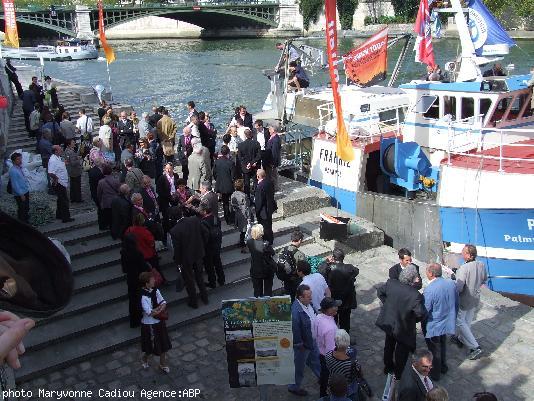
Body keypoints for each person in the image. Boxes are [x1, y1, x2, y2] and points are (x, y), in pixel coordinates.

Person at [376, 265, 427, 380]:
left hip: (389, 321)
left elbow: (380, 292)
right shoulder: (415, 295)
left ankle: (388, 367)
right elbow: (420, 314)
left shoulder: (391, 284)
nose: (418, 279)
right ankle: (398, 373)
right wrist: (412, 319)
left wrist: (387, 304)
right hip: (404, 326)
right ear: (412, 279)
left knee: (389, 345)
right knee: (401, 351)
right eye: (417, 277)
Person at [450, 244, 487, 360]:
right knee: (468, 321)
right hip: (475, 297)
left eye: (463, 252)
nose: (462, 253)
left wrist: (454, 277)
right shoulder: (481, 264)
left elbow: (459, 288)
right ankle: (461, 338)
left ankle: (475, 346)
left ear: (469, 255)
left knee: (460, 321)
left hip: (465, 299)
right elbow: (484, 279)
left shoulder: (464, 268)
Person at [423, 263, 458, 381]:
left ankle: (435, 373)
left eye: (427, 271)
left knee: (434, 350)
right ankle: (443, 366)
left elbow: (425, 310)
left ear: (431, 274)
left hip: (435, 325)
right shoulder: (451, 283)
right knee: (443, 344)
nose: (426, 273)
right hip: (446, 321)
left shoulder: (430, 290)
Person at [169, 207, 209, 309]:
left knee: (189, 281)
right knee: (199, 277)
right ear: (182, 213)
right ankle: (205, 298)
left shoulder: (174, 231)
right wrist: (202, 246)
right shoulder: (194, 220)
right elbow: (205, 232)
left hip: (186, 258)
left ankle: (194, 302)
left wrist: (178, 261)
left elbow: (177, 249)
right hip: (198, 253)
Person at [288, 284, 321, 397]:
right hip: (303, 347)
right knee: (299, 368)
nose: (311, 299)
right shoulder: (295, 314)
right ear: (300, 298)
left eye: (310, 296)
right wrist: (301, 346)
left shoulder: (308, 304)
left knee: (316, 361)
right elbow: (295, 333)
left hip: (312, 341)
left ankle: (322, 378)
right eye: (308, 297)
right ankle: (294, 387)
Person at [317, 248, 358, 333]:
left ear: (333, 257)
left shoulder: (332, 267)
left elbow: (321, 270)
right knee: (345, 321)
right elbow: (356, 271)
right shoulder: (349, 267)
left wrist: (326, 261)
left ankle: (333, 337)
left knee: (333, 320)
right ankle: (345, 338)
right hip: (346, 300)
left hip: (333, 299)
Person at [139, 271, 171, 373]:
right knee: (150, 346)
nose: (154, 281)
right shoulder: (142, 297)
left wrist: (158, 309)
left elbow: (163, 302)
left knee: (163, 344)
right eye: (152, 280)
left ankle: (163, 364)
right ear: (146, 283)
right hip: (149, 325)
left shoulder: (155, 290)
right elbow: (150, 312)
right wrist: (159, 309)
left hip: (159, 322)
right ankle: (144, 358)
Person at [324, 329, 367, 401]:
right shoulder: (352, 363)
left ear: (335, 342)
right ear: (348, 344)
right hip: (349, 389)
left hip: (333, 385)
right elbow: (360, 375)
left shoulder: (328, 355)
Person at [121, 233, 150, 328]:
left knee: (132, 300)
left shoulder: (123, 252)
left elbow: (124, 269)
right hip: (139, 278)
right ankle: (140, 316)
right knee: (139, 298)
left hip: (130, 279)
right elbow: (143, 266)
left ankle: (133, 321)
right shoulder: (137, 253)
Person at [315, 297, 341, 397]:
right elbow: (331, 351)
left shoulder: (319, 317)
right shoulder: (331, 328)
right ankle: (324, 395)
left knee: (323, 374)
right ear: (329, 310)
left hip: (320, 350)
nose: (337, 308)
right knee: (327, 377)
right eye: (335, 307)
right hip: (327, 356)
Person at [126, 213, 162, 279]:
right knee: (155, 268)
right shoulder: (145, 231)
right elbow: (151, 243)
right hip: (148, 254)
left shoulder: (129, 230)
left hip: (136, 254)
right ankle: (159, 280)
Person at [199, 203, 225, 288]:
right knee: (218, 262)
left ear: (205, 211)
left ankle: (212, 282)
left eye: (201, 210)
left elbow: (204, 237)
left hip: (208, 247)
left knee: (209, 266)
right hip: (217, 244)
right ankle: (221, 280)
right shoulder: (216, 218)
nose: (200, 211)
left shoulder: (203, 222)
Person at [247, 224, 275, 297]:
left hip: (255, 269)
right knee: (267, 291)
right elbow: (273, 253)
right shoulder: (265, 244)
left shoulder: (249, 242)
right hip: (267, 270)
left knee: (257, 291)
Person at [48, 145, 74, 223]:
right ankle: (66, 217)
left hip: (62, 181)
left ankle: (59, 214)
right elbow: (50, 172)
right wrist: (56, 179)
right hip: (59, 182)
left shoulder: (58, 158)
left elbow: (59, 166)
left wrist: (64, 164)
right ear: (56, 151)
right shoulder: (53, 160)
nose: (61, 150)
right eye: (60, 149)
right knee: (64, 200)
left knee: (60, 199)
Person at [278, 229, 306, 301]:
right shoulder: (300, 254)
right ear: (299, 240)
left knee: (289, 297)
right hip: (295, 280)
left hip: (285, 279)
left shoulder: (282, 250)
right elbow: (303, 270)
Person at [156, 163, 180, 237]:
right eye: (167, 168)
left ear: (173, 168)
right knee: (166, 217)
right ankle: (166, 234)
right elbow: (159, 191)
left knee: (175, 215)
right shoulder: (161, 178)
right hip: (165, 200)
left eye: (170, 168)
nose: (168, 170)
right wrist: (169, 196)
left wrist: (177, 192)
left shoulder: (176, 176)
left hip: (174, 199)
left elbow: (178, 186)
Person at [213, 145, 235, 224]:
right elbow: (233, 176)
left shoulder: (217, 162)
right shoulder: (230, 163)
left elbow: (214, 174)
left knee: (225, 203)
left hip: (221, 185)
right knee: (232, 202)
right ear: (228, 152)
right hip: (229, 185)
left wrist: (218, 180)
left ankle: (227, 218)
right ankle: (232, 218)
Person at [254, 169, 276, 244]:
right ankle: (270, 240)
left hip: (263, 211)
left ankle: (267, 241)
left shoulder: (260, 186)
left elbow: (259, 201)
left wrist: (256, 211)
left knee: (265, 227)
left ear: (258, 176)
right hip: (269, 208)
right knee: (269, 226)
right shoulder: (269, 182)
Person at [238, 129, 261, 197]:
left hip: (246, 167)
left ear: (245, 135)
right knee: (256, 182)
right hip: (255, 166)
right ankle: (257, 196)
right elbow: (259, 155)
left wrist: (247, 164)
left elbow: (240, 158)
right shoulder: (256, 143)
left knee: (246, 183)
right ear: (251, 135)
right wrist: (252, 163)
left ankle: (247, 197)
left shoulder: (241, 145)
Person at [96, 164, 120, 230]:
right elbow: (119, 191)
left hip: (106, 203)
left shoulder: (101, 182)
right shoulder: (116, 180)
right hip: (115, 202)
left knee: (108, 217)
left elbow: (99, 194)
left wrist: (100, 201)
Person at [8, 152, 30, 223]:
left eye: (20, 159)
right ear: (13, 161)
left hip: (25, 190)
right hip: (20, 193)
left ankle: (26, 222)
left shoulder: (19, 168)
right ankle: (23, 224)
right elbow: (15, 184)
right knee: (22, 209)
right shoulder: (13, 171)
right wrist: (21, 194)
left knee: (26, 208)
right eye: (18, 159)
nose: (20, 161)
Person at [231, 179, 250, 253]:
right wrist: (248, 217)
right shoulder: (244, 195)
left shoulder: (233, 194)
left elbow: (232, 206)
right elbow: (246, 208)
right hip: (243, 215)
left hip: (238, 214)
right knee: (245, 232)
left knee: (242, 230)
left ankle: (241, 243)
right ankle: (243, 247)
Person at [64, 138, 83, 203]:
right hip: (75, 171)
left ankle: (73, 198)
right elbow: (73, 163)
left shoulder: (67, 150)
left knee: (73, 185)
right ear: (69, 144)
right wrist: (79, 159)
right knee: (77, 185)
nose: (74, 143)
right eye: (73, 142)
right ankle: (78, 198)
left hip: (71, 171)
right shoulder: (70, 152)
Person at [89, 158, 106, 230]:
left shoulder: (92, 170)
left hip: (94, 192)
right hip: (98, 194)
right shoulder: (98, 173)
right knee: (101, 210)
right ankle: (102, 225)